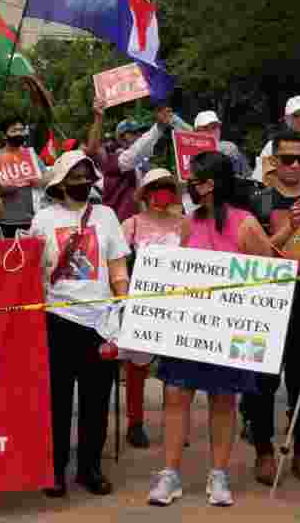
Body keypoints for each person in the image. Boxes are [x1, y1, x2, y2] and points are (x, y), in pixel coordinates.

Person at [149, 151, 281, 507]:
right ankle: (170, 474)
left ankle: (218, 473)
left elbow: (270, 275)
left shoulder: (245, 223)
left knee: (223, 400)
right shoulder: (189, 222)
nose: (187, 185)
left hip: (229, 331)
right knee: (176, 396)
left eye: (194, 179)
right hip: (189, 327)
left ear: (210, 184)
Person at [31, 150, 130, 498]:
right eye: (75, 176)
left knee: (96, 400)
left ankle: (90, 468)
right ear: (60, 182)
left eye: (87, 176)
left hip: (100, 323)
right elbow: (33, 271)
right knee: (57, 401)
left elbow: (118, 267)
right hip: (57, 320)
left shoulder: (106, 216)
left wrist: (123, 305)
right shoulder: (43, 219)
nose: (83, 182)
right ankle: (54, 470)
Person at [242, 129, 300, 486]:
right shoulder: (259, 201)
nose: (295, 165)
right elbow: (251, 255)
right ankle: (263, 451)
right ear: (273, 161)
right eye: (287, 158)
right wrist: (289, 228)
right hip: (268, 300)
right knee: (263, 379)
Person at [119, 169, 183, 449]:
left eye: (167, 186)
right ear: (144, 193)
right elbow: (117, 262)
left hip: (178, 303)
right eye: (155, 187)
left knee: (178, 369)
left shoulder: (185, 223)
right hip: (142, 304)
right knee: (137, 367)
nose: (161, 192)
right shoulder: (131, 224)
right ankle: (135, 422)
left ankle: (177, 424)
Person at [0, 117, 47, 238]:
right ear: (4, 135)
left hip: (31, 220)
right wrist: (1, 189)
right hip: (6, 221)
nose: (18, 133)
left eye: (21, 130)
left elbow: (46, 179)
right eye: (14, 130)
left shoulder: (31, 155)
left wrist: (39, 181)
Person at [194, 110, 251, 177]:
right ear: (196, 132)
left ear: (219, 130)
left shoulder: (229, 148)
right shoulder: (187, 150)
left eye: (214, 127)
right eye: (205, 128)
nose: (211, 131)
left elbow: (247, 176)